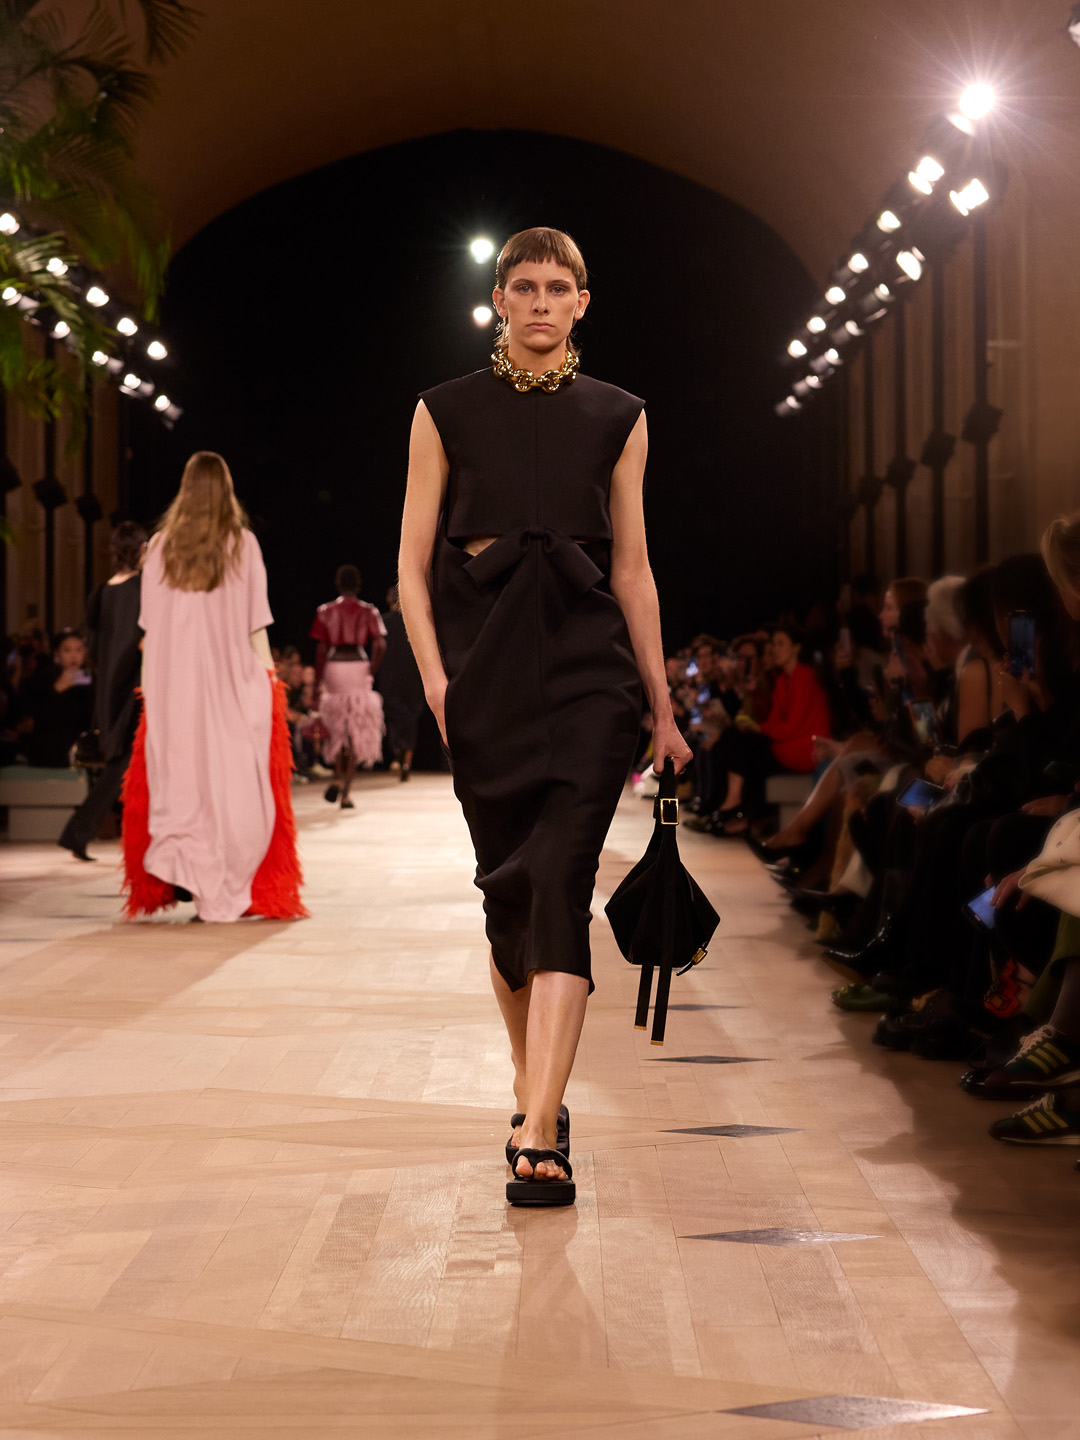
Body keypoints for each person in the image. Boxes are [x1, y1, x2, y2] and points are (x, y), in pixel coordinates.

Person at [398, 226, 690, 1206]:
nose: (539, 303)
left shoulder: (619, 414)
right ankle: (538, 1091)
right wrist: (438, 683)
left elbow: (633, 570)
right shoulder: (443, 410)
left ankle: (540, 1126)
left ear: (581, 303)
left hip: (589, 675)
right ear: (498, 300)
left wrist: (661, 706)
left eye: (557, 288)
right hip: (484, 677)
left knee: (561, 882)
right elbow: (410, 566)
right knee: (509, 900)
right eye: (522, 287)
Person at [121, 451, 305, 923]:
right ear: (227, 491)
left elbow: (150, 630)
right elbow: (256, 626)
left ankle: (190, 870)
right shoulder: (243, 545)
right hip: (231, 684)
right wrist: (270, 680)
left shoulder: (159, 548)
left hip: (173, 688)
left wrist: (150, 691)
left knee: (184, 784)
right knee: (231, 785)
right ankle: (221, 882)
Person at [58, 521, 147, 861]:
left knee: (121, 762)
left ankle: (79, 834)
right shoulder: (143, 589)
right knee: (124, 763)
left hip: (109, 689)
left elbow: (92, 646)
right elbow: (144, 640)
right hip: (135, 688)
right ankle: (79, 833)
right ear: (141, 550)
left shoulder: (101, 592)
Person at [310, 565, 386, 808]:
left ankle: (336, 777)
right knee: (355, 729)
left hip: (334, 666)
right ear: (359, 584)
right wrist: (372, 669)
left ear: (338, 584)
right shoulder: (369, 611)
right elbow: (380, 644)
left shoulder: (325, 611)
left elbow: (321, 650)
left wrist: (317, 683)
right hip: (358, 665)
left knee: (337, 726)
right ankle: (345, 793)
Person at [18, 628, 94, 768]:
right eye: (67, 650)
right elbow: (35, 718)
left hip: (82, 751)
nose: (74, 655)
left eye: (78, 650)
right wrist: (56, 690)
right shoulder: (46, 676)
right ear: (57, 654)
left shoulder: (91, 679)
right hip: (49, 753)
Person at [376, 582, 425, 780]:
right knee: (411, 717)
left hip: (389, 675)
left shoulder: (382, 621)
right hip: (412, 674)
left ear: (388, 600)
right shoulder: (414, 619)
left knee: (393, 717)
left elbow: (377, 650)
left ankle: (396, 756)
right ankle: (407, 762)